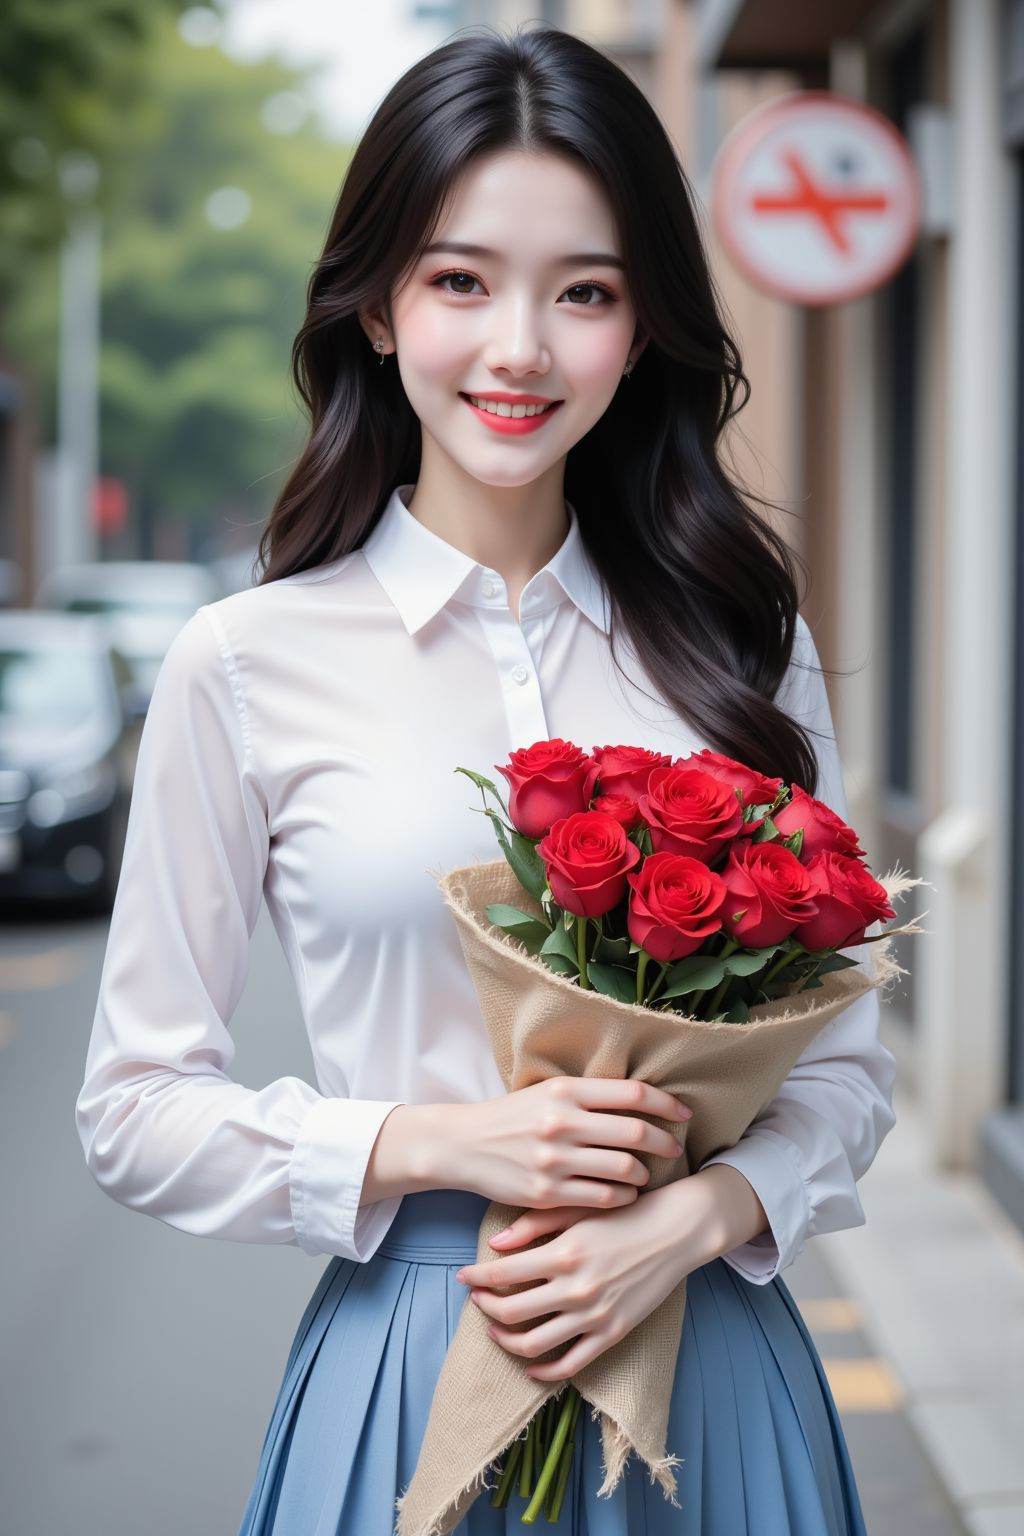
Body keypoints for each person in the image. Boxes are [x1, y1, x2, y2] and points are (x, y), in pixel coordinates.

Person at [74, 23, 896, 1536]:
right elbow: (135, 1106)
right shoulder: (246, 663)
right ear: (380, 307)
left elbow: (845, 1071)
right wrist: (437, 1142)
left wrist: (697, 1222)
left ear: (642, 324)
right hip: (407, 1363)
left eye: (583, 291)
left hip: (709, 1362)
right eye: (462, 281)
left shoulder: (736, 647)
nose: (519, 347)